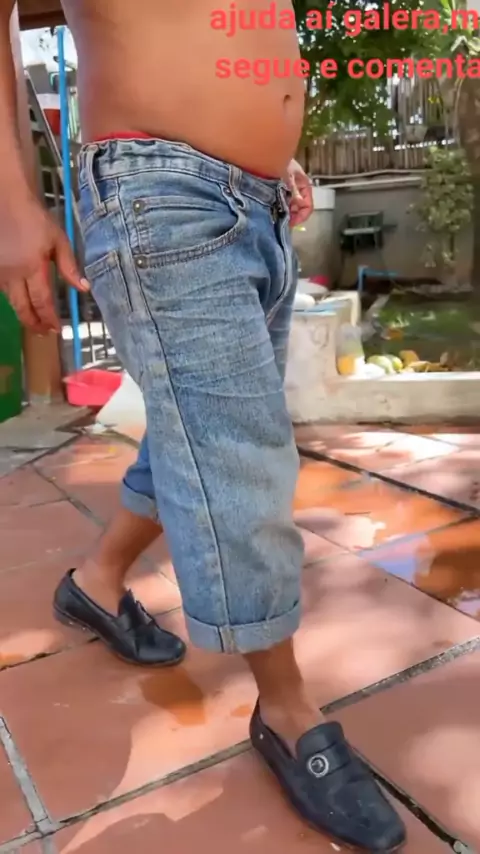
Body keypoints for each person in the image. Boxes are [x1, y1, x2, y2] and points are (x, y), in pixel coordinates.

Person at [0, 1, 405, 849]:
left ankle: (96, 583)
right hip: (159, 191)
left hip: (258, 198)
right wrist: (12, 207)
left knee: (200, 428)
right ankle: (287, 711)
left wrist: (270, 147)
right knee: (237, 457)